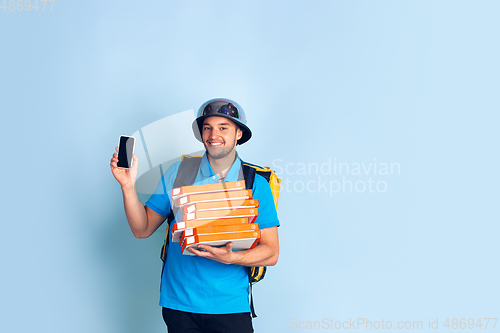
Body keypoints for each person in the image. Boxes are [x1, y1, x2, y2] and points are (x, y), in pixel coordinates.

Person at [110, 98, 280, 333]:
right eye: (207, 127)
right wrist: (127, 186)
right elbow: (142, 229)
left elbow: (271, 252)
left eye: (223, 127)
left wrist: (233, 259)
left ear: (238, 133)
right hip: (179, 305)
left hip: (230, 306)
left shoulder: (255, 183)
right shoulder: (177, 172)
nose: (214, 135)